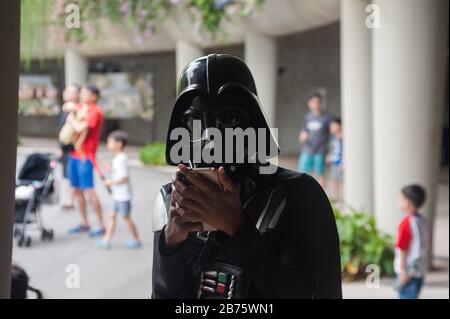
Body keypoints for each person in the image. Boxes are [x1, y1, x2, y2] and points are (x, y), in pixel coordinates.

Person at [152, 54, 342, 299]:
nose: (211, 135)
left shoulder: (296, 196)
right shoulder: (171, 200)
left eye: (229, 119)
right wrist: (172, 244)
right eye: (195, 121)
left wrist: (237, 229)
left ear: (253, 123)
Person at [67, 85, 105, 237]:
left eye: (85, 93)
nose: (81, 95)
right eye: (81, 93)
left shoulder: (96, 111)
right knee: (77, 190)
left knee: (89, 190)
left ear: (94, 96)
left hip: (86, 156)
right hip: (74, 154)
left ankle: (101, 225)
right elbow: (67, 105)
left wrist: (71, 119)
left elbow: (80, 128)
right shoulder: (82, 107)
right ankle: (85, 223)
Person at [96, 130, 141, 249]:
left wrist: (109, 182)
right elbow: (118, 174)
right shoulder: (118, 158)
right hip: (117, 195)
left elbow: (124, 178)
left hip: (123, 196)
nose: (108, 144)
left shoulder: (120, 159)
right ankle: (106, 240)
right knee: (111, 216)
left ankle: (136, 239)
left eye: (110, 142)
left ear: (119, 144)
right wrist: (110, 169)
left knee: (126, 217)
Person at [395, 184, 430, 299]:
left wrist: (402, 270)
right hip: (420, 270)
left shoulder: (406, 223)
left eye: (401, 199)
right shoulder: (423, 221)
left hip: (408, 272)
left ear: (408, 202)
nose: (399, 202)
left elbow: (403, 248)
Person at [297, 92, 333, 188]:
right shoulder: (308, 117)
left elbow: (332, 135)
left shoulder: (327, 117)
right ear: (309, 104)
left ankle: (321, 197)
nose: (315, 104)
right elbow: (304, 131)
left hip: (320, 151)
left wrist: (330, 152)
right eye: (313, 102)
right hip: (308, 150)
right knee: (301, 173)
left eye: (318, 102)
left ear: (321, 103)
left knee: (320, 174)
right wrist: (302, 137)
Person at [57, 84, 80, 210]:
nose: (66, 93)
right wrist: (59, 147)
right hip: (66, 147)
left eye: (70, 91)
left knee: (71, 175)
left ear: (77, 95)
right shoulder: (68, 110)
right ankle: (74, 198)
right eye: (66, 90)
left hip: (72, 148)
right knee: (69, 175)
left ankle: (70, 200)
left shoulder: (75, 108)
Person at [326, 117, 343, 201]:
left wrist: (343, 163)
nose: (331, 128)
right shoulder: (333, 138)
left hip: (340, 162)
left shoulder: (342, 137)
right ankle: (334, 196)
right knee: (334, 179)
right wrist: (329, 155)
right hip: (334, 161)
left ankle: (345, 195)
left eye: (333, 126)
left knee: (342, 180)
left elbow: (345, 150)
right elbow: (333, 149)